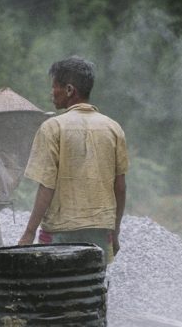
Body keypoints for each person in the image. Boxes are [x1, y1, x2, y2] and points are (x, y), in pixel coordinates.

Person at [18, 56, 128, 264]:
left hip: (60, 231)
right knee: (93, 282)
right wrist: (115, 231)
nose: (52, 93)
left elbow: (47, 186)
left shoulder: (53, 128)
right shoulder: (113, 128)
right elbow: (120, 187)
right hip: (100, 230)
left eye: (54, 87)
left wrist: (29, 232)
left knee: (56, 282)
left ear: (69, 90)